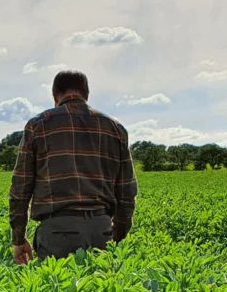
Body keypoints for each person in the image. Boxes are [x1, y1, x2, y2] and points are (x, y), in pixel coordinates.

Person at [9, 70, 138, 263]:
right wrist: (116, 235)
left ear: (55, 96)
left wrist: (18, 238)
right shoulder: (115, 129)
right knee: (102, 291)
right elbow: (127, 191)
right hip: (101, 229)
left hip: (56, 233)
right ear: (86, 94)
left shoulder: (38, 125)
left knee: (58, 291)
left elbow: (20, 189)